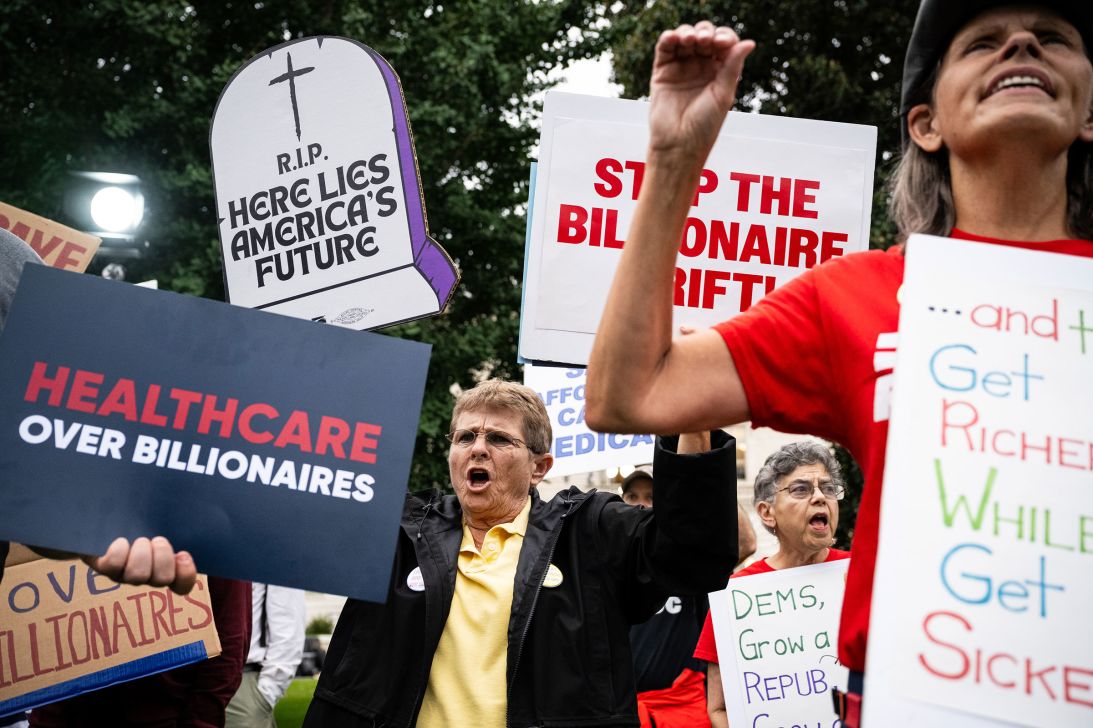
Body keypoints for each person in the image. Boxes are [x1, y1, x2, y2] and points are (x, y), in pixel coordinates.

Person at [584, 3, 1092, 726]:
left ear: (1087, 111)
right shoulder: (853, 296)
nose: (1020, 44)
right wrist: (672, 162)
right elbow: (629, 394)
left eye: (1053, 39)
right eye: (981, 41)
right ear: (926, 124)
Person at [303, 379, 739, 727]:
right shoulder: (399, 528)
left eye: (499, 439)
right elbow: (294, 525)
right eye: (465, 436)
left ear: (539, 467)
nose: (477, 447)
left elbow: (692, 555)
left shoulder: (589, 531)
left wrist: (693, 419)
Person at [691, 442, 850, 728]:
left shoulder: (864, 574)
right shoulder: (737, 595)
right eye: (801, 489)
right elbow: (719, 708)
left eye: (828, 488)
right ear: (767, 513)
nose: (819, 497)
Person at [621, 456, 757, 728]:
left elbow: (744, 543)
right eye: (632, 495)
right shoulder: (606, 562)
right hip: (622, 712)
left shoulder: (684, 561)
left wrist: (710, 477)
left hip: (682, 712)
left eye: (651, 496)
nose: (640, 503)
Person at [226, 583, 306, 728]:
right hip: (188, 677)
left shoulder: (275, 560)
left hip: (244, 685)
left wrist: (265, 694)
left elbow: (288, 631)